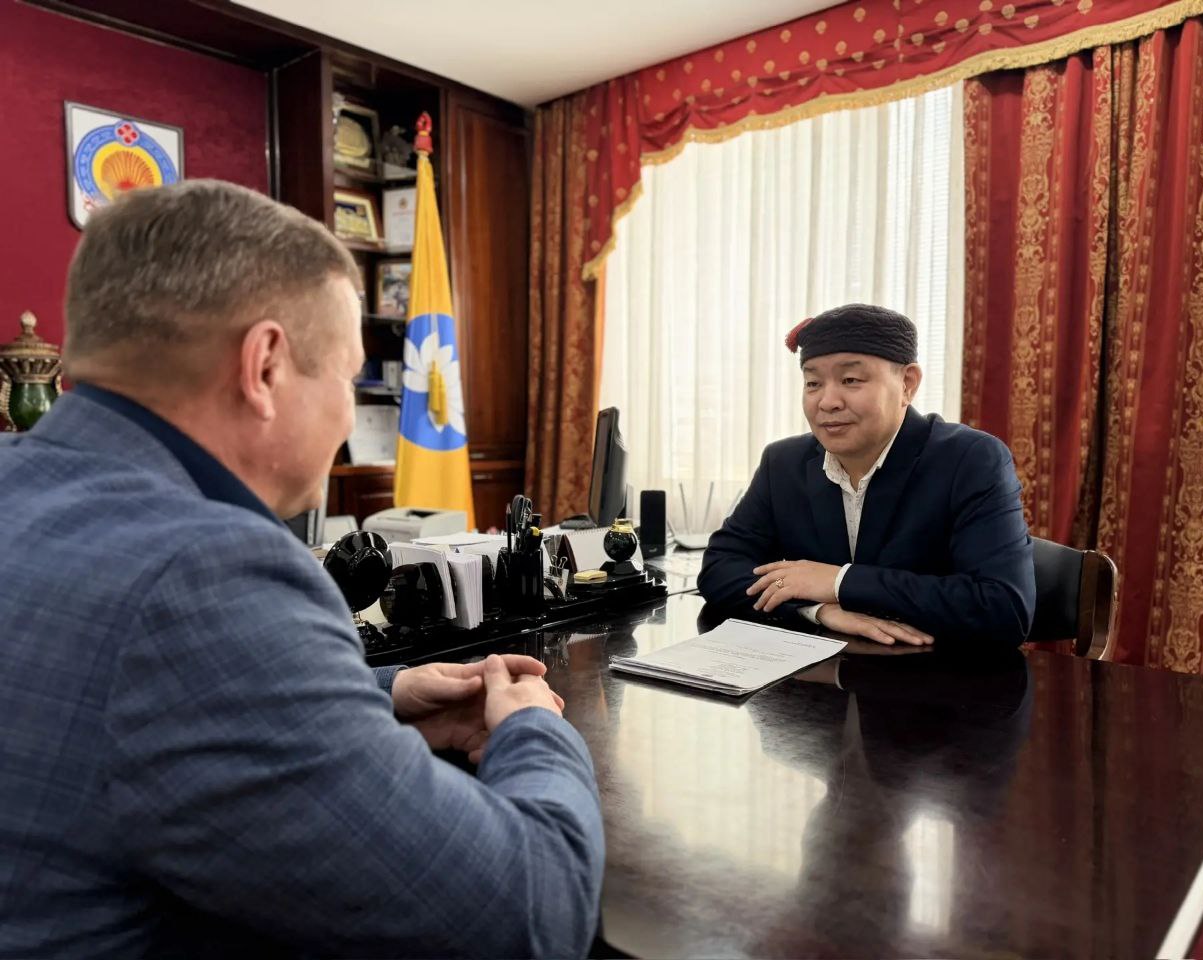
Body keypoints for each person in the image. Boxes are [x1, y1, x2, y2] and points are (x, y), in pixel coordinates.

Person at [0, 180, 603, 958]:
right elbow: (532, 915)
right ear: (265, 367)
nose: (349, 416)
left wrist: (381, 698)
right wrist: (530, 727)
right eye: (347, 378)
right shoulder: (208, 574)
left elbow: (124, 695)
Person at [697, 303, 1035, 649]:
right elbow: (720, 568)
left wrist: (839, 582)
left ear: (907, 384)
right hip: (822, 674)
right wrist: (818, 610)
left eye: (850, 380)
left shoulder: (970, 460)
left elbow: (1003, 608)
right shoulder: (784, 463)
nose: (827, 401)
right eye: (813, 383)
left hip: (935, 674)